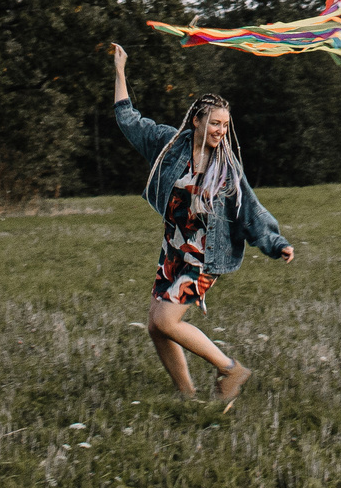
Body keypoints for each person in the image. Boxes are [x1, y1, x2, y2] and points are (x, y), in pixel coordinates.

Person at [110, 42, 294, 400]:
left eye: (225, 125)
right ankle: (188, 397)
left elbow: (250, 209)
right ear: (197, 121)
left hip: (204, 256)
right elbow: (128, 119)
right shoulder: (168, 144)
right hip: (173, 252)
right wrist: (120, 71)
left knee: (166, 320)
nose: (220, 131)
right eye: (214, 123)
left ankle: (230, 369)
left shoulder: (226, 167)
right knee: (156, 327)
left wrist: (276, 242)